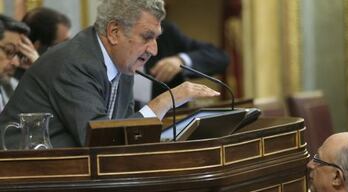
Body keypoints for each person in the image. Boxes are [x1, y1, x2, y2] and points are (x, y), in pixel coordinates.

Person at [0, 0, 219, 149]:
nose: (154, 50)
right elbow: (99, 140)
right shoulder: (74, 61)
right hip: (24, 180)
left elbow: (121, 133)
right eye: (147, 37)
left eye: (156, 38)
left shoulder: (122, 63)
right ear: (114, 32)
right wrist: (163, 102)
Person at [133, 20, 229, 106]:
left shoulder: (165, 31)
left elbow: (220, 57)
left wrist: (181, 60)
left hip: (172, 119)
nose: (153, 51)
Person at [0, 15, 37, 112]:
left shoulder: (11, 85)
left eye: (19, 55)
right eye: (9, 51)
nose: (16, 63)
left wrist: (38, 69)